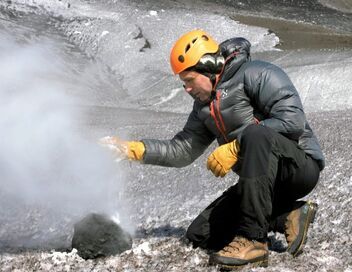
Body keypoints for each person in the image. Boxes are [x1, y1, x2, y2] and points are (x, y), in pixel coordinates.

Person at [99, 29, 325, 269]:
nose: (186, 89)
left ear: (208, 68)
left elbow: (293, 121)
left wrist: (237, 147)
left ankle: (253, 241)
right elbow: (182, 149)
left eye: (189, 80)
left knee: (255, 133)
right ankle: (288, 215)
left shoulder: (257, 73)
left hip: (298, 168)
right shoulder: (203, 108)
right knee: (201, 234)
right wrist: (132, 149)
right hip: (261, 182)